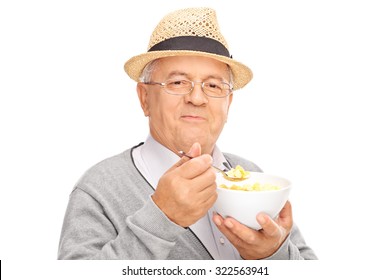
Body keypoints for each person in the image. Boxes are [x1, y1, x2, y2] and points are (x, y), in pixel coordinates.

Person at [58, 7, 317, 260]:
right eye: (178, 82)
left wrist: (274, 254)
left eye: (213, 85)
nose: (197, 98)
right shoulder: (99, 188)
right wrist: (161, 217)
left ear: (229, 104)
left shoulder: (254, 177)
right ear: (144, 97)